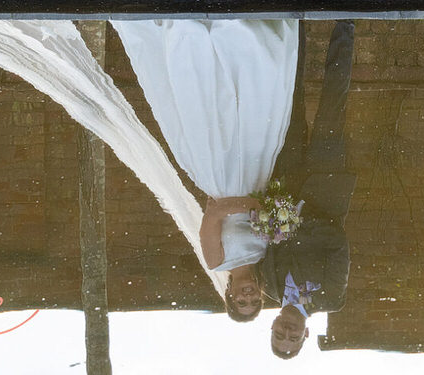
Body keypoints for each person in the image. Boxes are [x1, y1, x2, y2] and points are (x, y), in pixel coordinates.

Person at [110, 18, 298, 322]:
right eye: (254, 301)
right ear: (261, 294)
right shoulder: (268, 257)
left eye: (241, 300)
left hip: (219, 173)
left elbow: (213, 213)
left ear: (230, 294)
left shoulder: (217, 260)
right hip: (256, 173)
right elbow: (229, 212)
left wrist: (256, 207)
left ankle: (195, 38)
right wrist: (274, 209)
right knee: (255, 110)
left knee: (211, 110)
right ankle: (246, 41)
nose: (248, 296)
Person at [259, 20, 357, 357]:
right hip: (325, 184)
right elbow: (338, 247)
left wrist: (278, 218)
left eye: (278, 336)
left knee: (291, 98)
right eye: (292, 337)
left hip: (286, 179)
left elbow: (267, 237)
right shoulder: (332, 299)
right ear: (305, 334)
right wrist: (298, 224)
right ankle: (345, 23)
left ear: (271, 329)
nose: (286, 331)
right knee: (333, 100)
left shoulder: (268, 285)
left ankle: (297, 22)